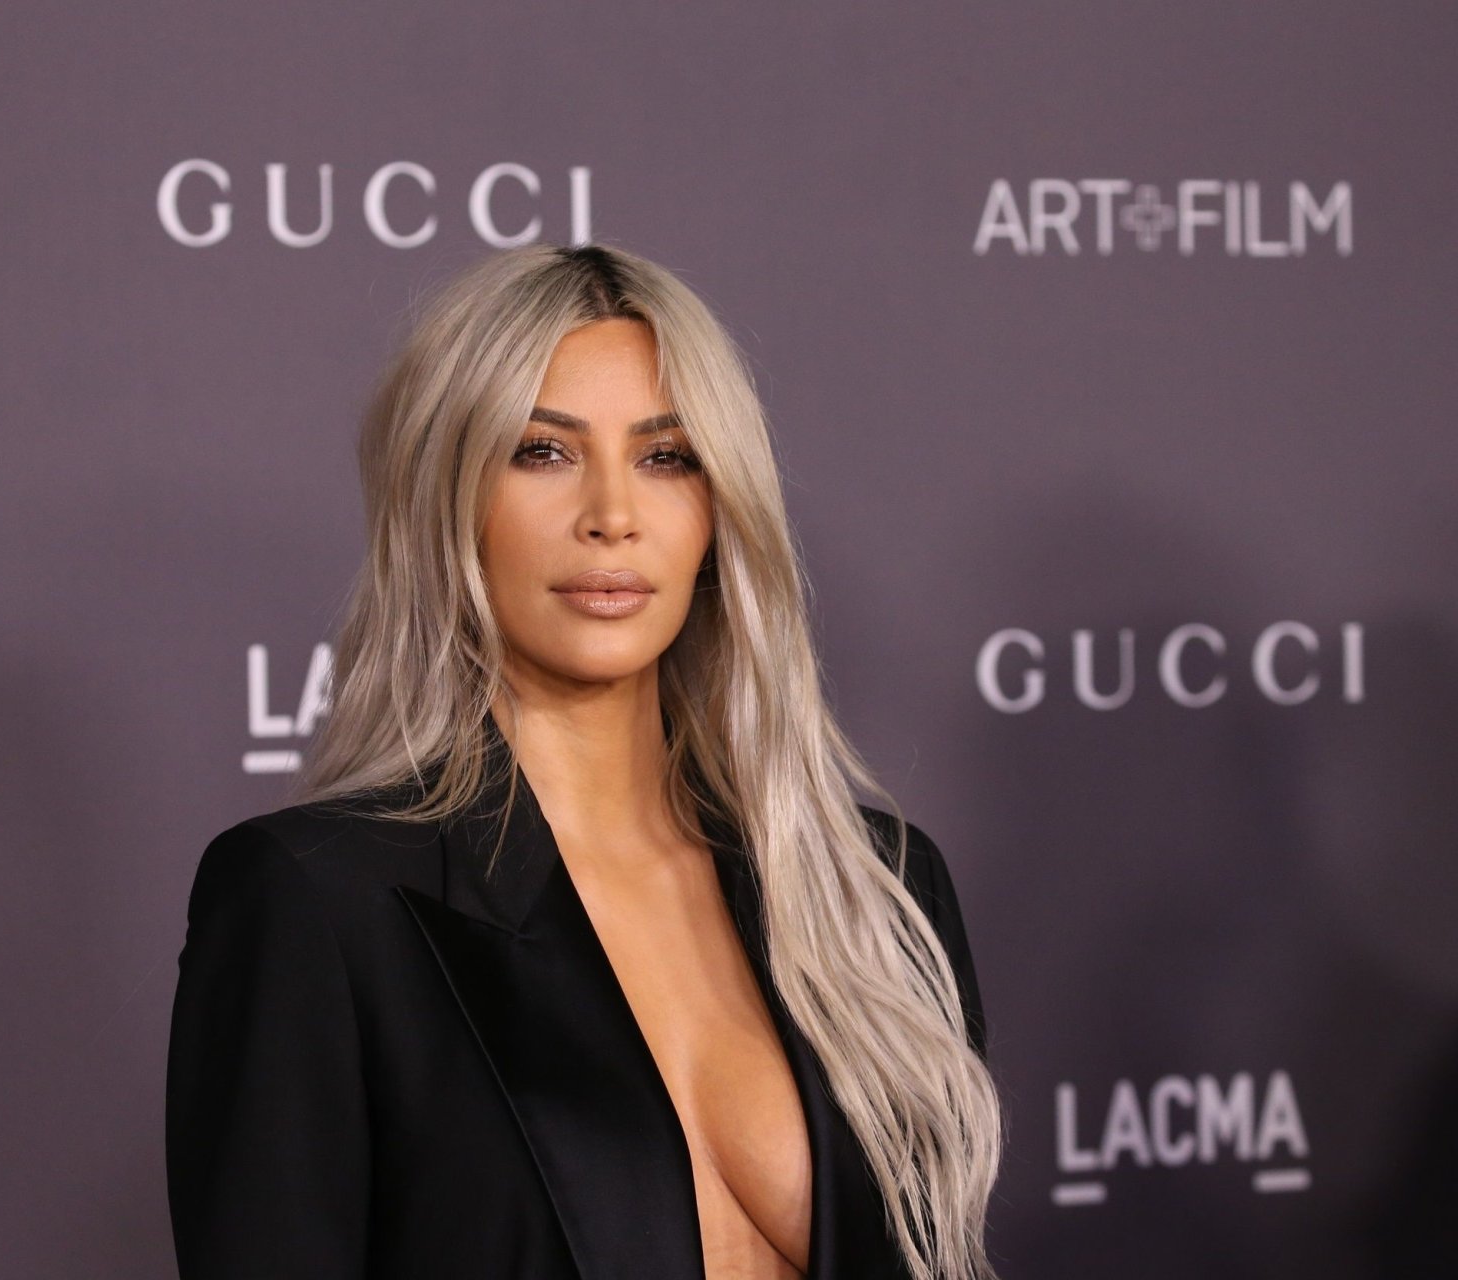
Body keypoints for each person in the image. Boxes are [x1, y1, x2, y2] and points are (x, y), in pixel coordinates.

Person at [165, 243, 1003, 1280]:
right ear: (446, 493)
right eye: (542, 451)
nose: (613, 515)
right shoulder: (316, 903)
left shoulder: (877, 890)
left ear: (720, 507)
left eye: (666, 457)